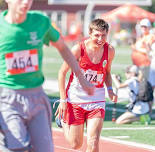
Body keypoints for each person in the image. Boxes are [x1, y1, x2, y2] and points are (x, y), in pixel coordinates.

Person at [0, 0, 94, 152]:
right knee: (15, 148)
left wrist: (81, 77)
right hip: (7, 98)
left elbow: (63, 47)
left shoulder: (40, 21)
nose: (26, 2)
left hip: (36, 98)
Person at [55, 18, 117, 151]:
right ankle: (64, 122)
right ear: (90, 34)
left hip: (97, 99)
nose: (100, 39)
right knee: (76, 144)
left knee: (93, 142)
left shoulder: (110, 51)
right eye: (97, 35)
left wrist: (110, 89)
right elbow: (62, 73)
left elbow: (107, 72)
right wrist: (63, 100)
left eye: (104, 35)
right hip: (76, 98)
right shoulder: (78, 49)